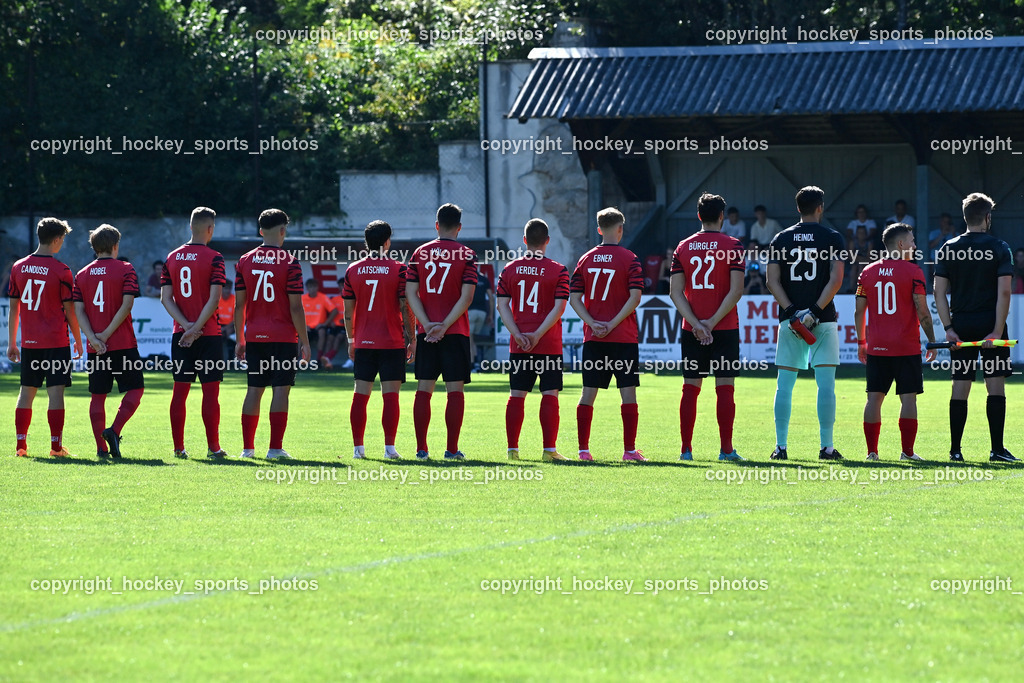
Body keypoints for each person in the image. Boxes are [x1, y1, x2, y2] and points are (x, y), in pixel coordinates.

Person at [933, 192, 1015, 462]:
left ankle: (955, 451)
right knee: (995, 387)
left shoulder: (948, 247)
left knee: (960, 386)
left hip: (962, 325)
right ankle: (997, 450)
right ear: (988, 217)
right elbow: (1005, 294)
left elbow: (938, 292)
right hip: (991, 324)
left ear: (965, 217)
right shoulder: (1001, 247)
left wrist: (948, 328)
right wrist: (996, 330)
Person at [766, 186, 846, 461]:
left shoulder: (780, 238)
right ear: (820, 207)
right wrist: (813, 312)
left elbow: (771, 281)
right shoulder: (832, 237)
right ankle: (827, 447)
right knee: (826, 385)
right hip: (822, 319)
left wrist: (792, 313)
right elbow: (836, 280)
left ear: (798, 208)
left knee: (784, 385)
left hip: (790, 322)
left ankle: (781, 447)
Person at [669, 192, 745, 462]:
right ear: (722, 216)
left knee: (690, 388)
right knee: (725, 387)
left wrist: (697, 324)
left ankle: (686, 451)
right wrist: (711, 323)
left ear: (699, 215)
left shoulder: (683, 247)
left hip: (692, 330)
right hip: (723, 327)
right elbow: (736, 291)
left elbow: (675, 293)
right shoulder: (733, 245)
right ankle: (726, 450)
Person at [855, 223, 937, 461]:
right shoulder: (914, 272)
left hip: (877, 347)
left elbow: (859, 312)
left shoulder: (867, 272)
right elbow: (923, 312)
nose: (915, 245)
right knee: (908, 398)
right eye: (912, 241)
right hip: (906, 346)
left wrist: (862, 342)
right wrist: (931, 341)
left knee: (873, 398)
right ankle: (908, 453)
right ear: (900, 245)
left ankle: (872, 453)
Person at [234, 209, 312, 460]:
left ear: (260, 231)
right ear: (282, 231)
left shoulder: (244, 260)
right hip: (283, 337)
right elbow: (296, 307)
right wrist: (305, 342)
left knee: (254, 389)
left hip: (255, 336)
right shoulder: (290, 262)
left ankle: (247, 449)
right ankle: (275, 449)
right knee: (281, 389)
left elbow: (239, 306)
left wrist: (240, 339)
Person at [569, 207, 645, 462]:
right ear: (620, 229)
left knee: (588, 392)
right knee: (628, 393)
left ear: (599, 229)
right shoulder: (631, 258)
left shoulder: (585, 259)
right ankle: (629, 451)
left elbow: (574, 298)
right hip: (622, 337)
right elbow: (635, 298)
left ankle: (583, 450)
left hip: (594, 338)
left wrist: (592, 322)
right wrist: (612, 324)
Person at [405, 203, 478, 461]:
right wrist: (445, 325)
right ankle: (451, 449)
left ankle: (421, 450)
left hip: (427, 332)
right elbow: (466, 297)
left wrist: (427, 325)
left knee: (424, 389)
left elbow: (410, 293)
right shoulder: (467, 254)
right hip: (455, 331)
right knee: (454, 390)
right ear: (459, 227)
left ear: (437, 225)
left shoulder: (419, 253)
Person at [495, 218, 571, 462]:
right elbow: (559, 308)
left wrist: (517, 333)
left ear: (525, 240)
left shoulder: (509, 269)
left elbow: (501, 305)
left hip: (520, 344)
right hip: (547, 342)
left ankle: (512, 451)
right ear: (547, 241)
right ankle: (549, 450)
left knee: (517, 394)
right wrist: (538, 334)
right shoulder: (559, 270)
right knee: (550, 394)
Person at [7, 217, 82, 457]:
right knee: (56, 392)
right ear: (57, 239)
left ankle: (21, 445)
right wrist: (79, 340)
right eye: (63, 239)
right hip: (57, 342)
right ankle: (56, 447)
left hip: (30, 342)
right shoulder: (62, 271)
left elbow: (14, 308)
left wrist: (12, 342)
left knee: (26, 391)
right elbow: (70, 311)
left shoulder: (18, 267)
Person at [160, 206, 229, 460]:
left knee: (180, 391)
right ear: (210, 229)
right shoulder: (215, 258)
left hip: (181, 335)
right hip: (208, 334)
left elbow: (166, 299)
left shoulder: (171, 257)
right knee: (211, 392)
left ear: (190, 227)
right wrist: (197, 327)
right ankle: (213, 448)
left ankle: (179, 448)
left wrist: (186, 328)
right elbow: (214, 299)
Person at [344, 220, 415, 460]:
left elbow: (347, 313)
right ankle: (389, 449)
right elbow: (406, 307)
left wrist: (351, 339)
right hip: (392, 341)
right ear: (387, 242)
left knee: (360, 394)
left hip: (364, 342)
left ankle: (358, 449)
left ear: (366, 243)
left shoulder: (352, 270)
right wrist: (412, 338)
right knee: (390, 396)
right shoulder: (399, 269)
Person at [73, 224, 145, 460]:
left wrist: (93, 338)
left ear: (94, 247)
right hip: (122, 342)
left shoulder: (81, 274)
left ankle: (101, 449)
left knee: (98, 396)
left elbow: (78, 311)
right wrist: (105, 334)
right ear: (115, 246)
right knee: (135, 389)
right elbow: (127, 305)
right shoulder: (126, 269)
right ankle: (113, 431)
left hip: (97, 349)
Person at [301, 279, 335, 368]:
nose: (312, 289)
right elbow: (296, 312)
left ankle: (319, 360)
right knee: (299, 336)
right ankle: (297, 361)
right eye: (310, 287)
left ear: (317, 287)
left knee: (322, 332)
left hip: (318, 327)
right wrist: (303, 325)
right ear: (307, 288)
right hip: (306, 327)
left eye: (314, 287)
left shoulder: (323, 297)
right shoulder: (302, 298)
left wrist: (325, 323)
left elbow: (334, 310)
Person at [467, 269, 494, 371]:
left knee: (469, 340)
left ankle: (472, 364)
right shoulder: (484, 279)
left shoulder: (467, 277)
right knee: (472, 339)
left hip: (470, 311)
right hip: (482, 313)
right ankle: (476, 363)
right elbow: (491, 298)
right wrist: (490, 315)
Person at [326, 276, 353, 370]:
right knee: (329, 339)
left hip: (347, 326)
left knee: (342, 339)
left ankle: (351, 360)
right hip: (336, 326)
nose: (342, 287)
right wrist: (331, 322)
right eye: (340, 285)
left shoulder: (352, 298)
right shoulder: (333, 299)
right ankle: (326, 359)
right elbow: (328, 313)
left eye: (344, 285)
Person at [216, 279, 236, 362]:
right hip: (218, 325)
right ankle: (222, 360)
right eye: (225, 288)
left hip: (231, 326)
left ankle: (230, 359)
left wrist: (225, 329)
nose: (227, 291)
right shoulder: (216, 299)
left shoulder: (235, 299)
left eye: (229, 288)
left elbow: (237, 319)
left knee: (225, 332)